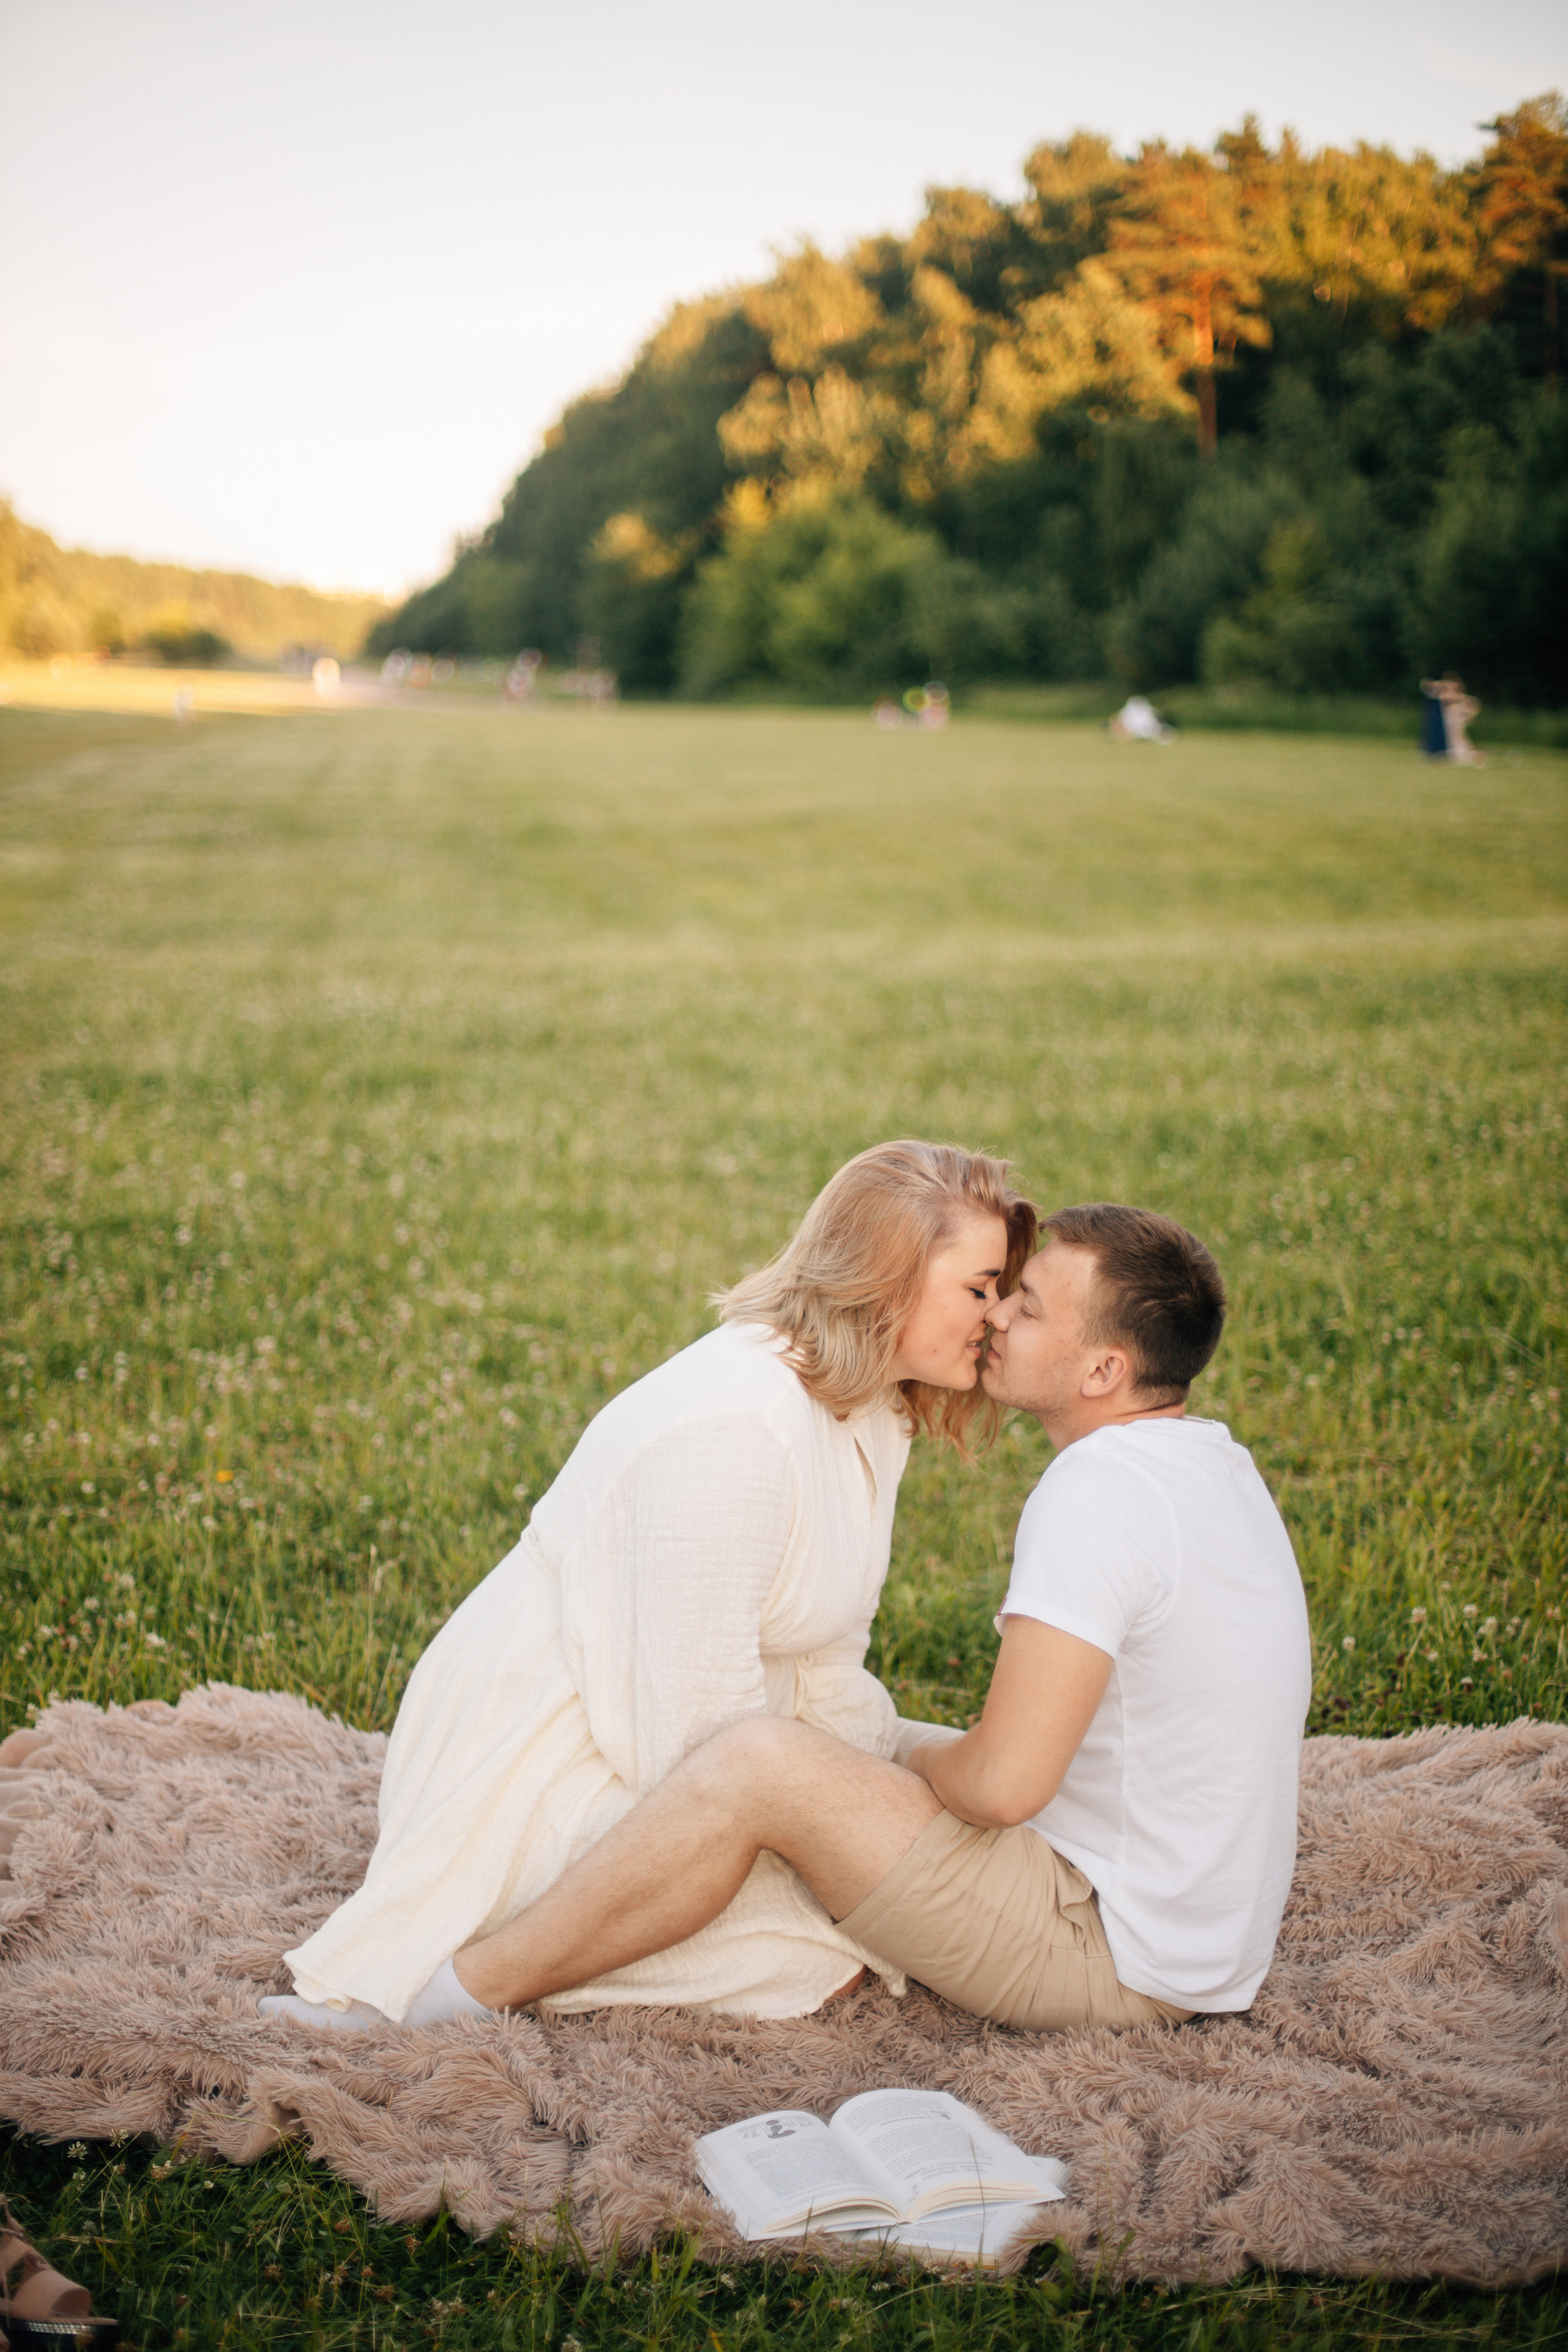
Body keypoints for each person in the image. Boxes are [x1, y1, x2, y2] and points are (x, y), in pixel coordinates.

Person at [424, 1205, 1311, 2036]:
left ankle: (459, 1989)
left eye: (1030, 1307)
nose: (997, 1315)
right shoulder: (1209, 1464)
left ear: (1103, 1371)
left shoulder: (1097, 1492)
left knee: (761, 1763)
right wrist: (882, 1751)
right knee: (844, 1738)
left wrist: (907, 1756)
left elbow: (1002, 1788)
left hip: (1113, 1954)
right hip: (1192, 1931)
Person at [259, 1140, 1037, 2028]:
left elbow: (829, 1661)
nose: (999, 1316)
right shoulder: (741, 1429)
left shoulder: (871, 1410)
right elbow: (687, 1738)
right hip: (562, 1740)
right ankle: (445, 1991)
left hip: (709, 1742)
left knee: (921, 1856)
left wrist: (889, 1799)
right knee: (817, 1957)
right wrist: (842, 1836)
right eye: (979, 1287)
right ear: (887, 1277)